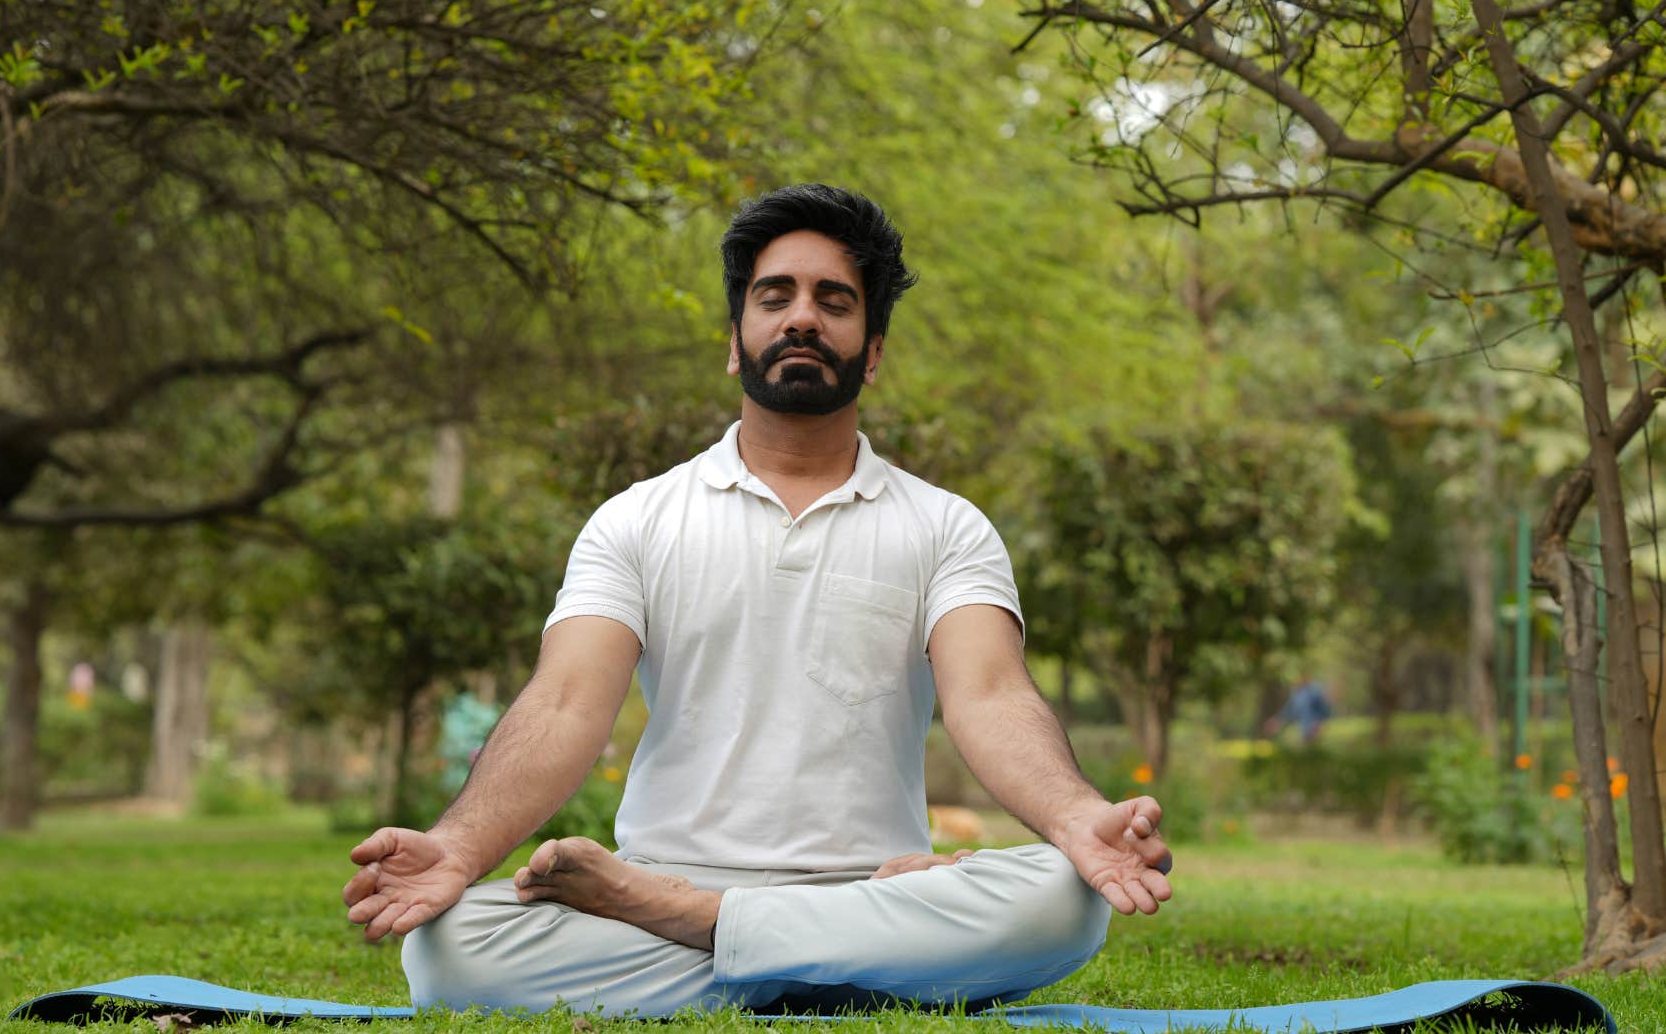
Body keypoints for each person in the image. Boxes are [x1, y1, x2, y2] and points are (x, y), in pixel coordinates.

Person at [341, 184, 1173, 1017]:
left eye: (834, 301)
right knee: (449, 952)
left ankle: (720, 932)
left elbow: (989, 695)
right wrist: (455, 845)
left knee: (1064, 901)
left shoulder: (945, 527)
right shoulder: (637, 519)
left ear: (872, 351)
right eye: (775, 297)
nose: (802, 318)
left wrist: (1075, 817)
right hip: (698, 893)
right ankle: (847, 964)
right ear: (737, 343)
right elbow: (562, 704)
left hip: (839, 889)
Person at [1263, 676, 1333, 743]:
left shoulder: (1314, 691)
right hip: (1303, 732)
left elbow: (1325, 708)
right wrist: (1277, 720)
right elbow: (1289, 710)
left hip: (1314, 730)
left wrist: (1319, 724)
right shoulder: (1296, 694)